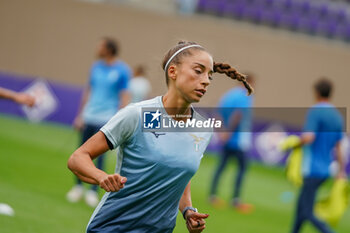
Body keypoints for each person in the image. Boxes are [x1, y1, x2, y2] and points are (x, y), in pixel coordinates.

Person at [67, 41, 253, 233]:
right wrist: (102, 177)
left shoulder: (203, 129)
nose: (206, 80)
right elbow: (77, 158)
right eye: (199, 71)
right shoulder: (137, 115)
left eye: (210, 75)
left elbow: (180, 175)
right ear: (173, 72)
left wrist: (188, 210)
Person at [66, 37, 131, 207]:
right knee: (81, 152)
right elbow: (88, 90)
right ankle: (78, 188)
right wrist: (80, 115)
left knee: (100, 156)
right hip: (89, 116)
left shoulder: (122, 70)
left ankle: (93, 191)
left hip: (106, 119)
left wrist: (121, 118)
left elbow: (124, 95)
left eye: (100, 46)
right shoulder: (96, 67)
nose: (97, 48)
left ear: (109, 49)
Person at [290, 78, 346, 233]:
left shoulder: (315, 111)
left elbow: (309, 137)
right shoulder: (337, 116)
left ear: (316, 92)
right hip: (326, 169)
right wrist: (341, 171)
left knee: (307, 211)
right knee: (301, 207)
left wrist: (294, 143)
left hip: (312, 168)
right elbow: (339, 146)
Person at [209, 74, 255, 213]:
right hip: (238, 139)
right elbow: (238, 115)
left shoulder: (228, 95)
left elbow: (217, 114)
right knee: (242, 168)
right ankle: (236, 200)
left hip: (227, 138)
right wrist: (229, 132)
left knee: (221, 166)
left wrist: (222, 132)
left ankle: (212, 195)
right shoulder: (245, 95)